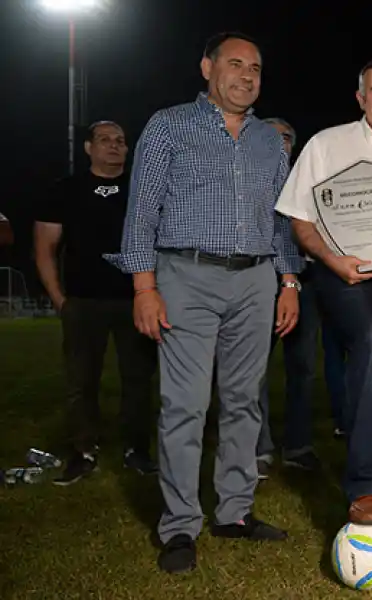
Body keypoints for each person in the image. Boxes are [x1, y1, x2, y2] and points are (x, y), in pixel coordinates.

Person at [108, 32, 302, 574]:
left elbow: (282, 219)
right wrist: (144, 287)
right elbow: (141, 212)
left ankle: (234, 513)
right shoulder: (169, 126)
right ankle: (179, 526)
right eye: (235, 64)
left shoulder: (269, 140)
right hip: (185, 276)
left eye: (256, 68)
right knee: (185, 405)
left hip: (256, 279)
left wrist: (290, 282)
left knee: (244, 402)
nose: (246, 75)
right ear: (206, 68)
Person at [275, 57, 372, 534]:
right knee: (371, 344)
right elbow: (299, 219)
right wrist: (332, 260)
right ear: (360, 98)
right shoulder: (328, 145)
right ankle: (365, 487)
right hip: (345, 276)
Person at [34, 120, 158, 485]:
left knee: (138, 379)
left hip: (134, 299)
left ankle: (137, 449)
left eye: (121, 140)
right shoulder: (65, 190)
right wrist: (60, 299)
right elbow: (44, 249)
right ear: (88, 147)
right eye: (105, 140)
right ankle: (83, 451)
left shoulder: (142, 189)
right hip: (83, 302)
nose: (115, 146)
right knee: (81, 381)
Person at [254, 117, 344, 479]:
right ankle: (258, 448)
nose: (280, 143)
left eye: (287, 137)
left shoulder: (311, 183)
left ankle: (298, 444)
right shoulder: (250, 180)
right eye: (271, 136)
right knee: (253, 370)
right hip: (259, 281)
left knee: (303, 368)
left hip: (304, 283)